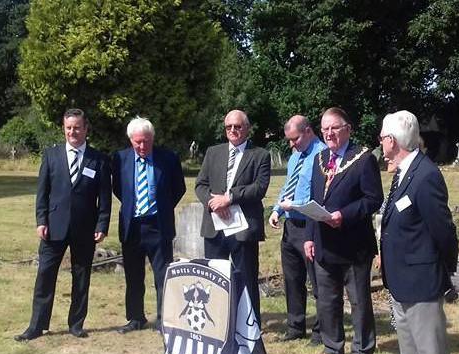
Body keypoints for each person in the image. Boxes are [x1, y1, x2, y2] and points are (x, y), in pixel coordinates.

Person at [376, 110, 459, 354]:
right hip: (401, 273)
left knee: (429, 340)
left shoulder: (425, 175)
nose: (380, 142)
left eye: (383, 137)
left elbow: (443, 230)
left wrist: (444, 270)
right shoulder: (402, 171)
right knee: (408, 338)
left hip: (422, 272)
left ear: (393, 141)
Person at [15, 108, 112, 341]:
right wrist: (41, 221)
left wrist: (102, 224)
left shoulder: (98, 159)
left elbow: (105, 197)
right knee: (45, 276)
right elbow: (42, 193)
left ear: (85, 128)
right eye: (69, 127)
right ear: (63, 129)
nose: (73, 132)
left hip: (84, 229)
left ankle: (76, 325)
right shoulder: (51, 155)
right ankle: (36, 326)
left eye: (77, 127)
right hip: (53, 227)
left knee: (81, 277)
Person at [304, 107, 383, 354]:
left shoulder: (363, 159)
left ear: (347, 128)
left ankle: (362, 351)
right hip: (324, 242)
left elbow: (373, 199)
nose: (329, 133)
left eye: (334, 128)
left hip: (353, 243)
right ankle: (332, 345)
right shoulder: (319, 159)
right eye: (325, 129)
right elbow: (315, 199)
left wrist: (344, 215)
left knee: (359, 299)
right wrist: (309, 237)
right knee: (327, 298)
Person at [112, 117, 186, 333]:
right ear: (130, 141)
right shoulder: (120, 159)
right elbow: (119, 188)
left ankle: (165, 319)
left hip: (158, 225)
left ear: (152, 138)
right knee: (133, 276)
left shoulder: (168, 158)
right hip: (132, 226)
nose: (142, 146)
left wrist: (161, 206)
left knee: (163, 276)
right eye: (137, 142)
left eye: (146, 141)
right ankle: (136, 318)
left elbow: (178, 188)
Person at [195, 109, 271, 320]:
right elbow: (200, 184)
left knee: (246, 278)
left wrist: (229, 198)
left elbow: (260, 188)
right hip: (215, 228)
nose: (233, 130)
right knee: (214, 279)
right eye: (229, 127)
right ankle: (218, 321)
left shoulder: (260, 155)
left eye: (238, 126)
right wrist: (214, 203)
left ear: (247, 128)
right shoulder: (213, 152)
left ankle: (250, 323)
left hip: (243, 229)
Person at [268, 115, 326, 343]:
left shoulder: (322, 155)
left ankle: (322, 331)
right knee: (292, 280)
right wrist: (277, 210)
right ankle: (295, 327)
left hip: (310, 226)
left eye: (295, 139)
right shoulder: (295, 157)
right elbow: (287, 186)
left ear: (309, 131)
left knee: (318, 281)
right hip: (290, 226)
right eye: (289, 140)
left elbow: (320, 195)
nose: (292, 144)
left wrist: (295, 206)